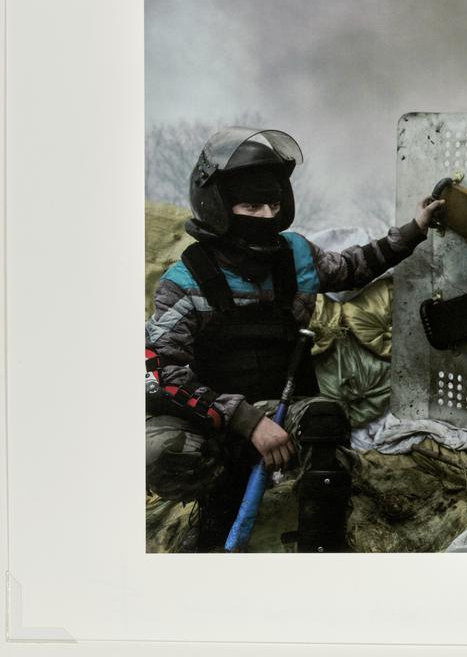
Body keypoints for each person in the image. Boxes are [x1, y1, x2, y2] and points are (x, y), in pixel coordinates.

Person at [145, 127, 443, 552]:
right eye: (251, 205)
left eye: (273, 204)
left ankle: (319, 552)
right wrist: (246, 422)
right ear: (218, 208)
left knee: (326, 420)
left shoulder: (298, 254)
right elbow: (161, 374)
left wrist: (415, 229)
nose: (266, 215)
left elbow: (356, 266)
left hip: (287, 409)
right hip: (217, 420)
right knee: (158, 451)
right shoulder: (185, 281)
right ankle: (217, 509)